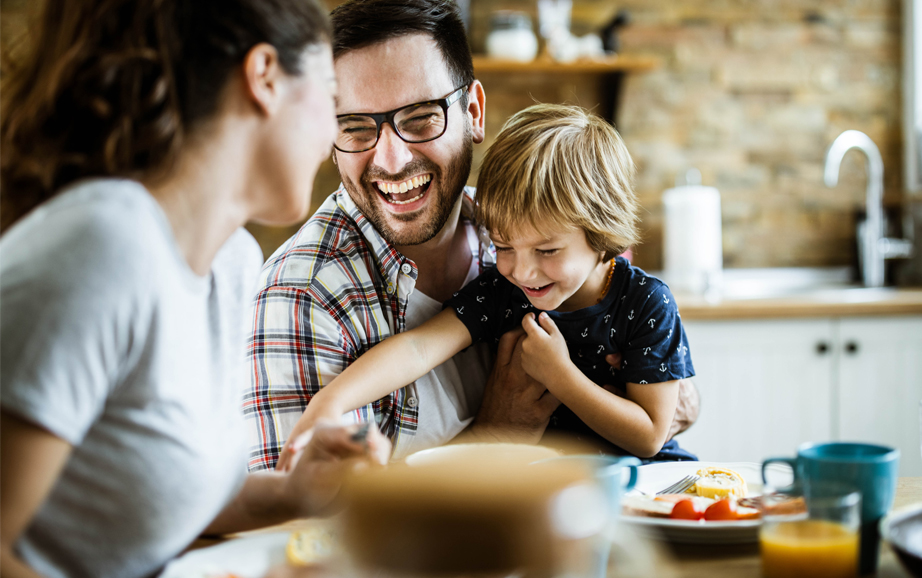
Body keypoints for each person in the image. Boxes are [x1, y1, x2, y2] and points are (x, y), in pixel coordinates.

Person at [0, 1, 389, 577]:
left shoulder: (230, 264)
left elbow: (156, 496)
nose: (334, 133)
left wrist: (296, 493)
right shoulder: (104, 246)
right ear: (264, 77)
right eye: (332, 99)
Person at [247, 0, 699, 471]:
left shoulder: (513, 225)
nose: (393, 160)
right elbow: (314, 528)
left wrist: (649, 389)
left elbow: (663, 412)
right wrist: (501, 433)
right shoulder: (303, 296)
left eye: (420, 116)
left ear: (474, 112)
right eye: (355, 127)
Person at [280, 103, 695, 460]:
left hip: (643, 487)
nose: (523, 271)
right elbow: (419, 347)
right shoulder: (504, 291)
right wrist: (330, 402)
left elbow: (650, 436)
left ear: (602, 234)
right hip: (547, 491)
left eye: (547, 251)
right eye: (504, 246)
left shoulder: (645, 302)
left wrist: (560, 375)